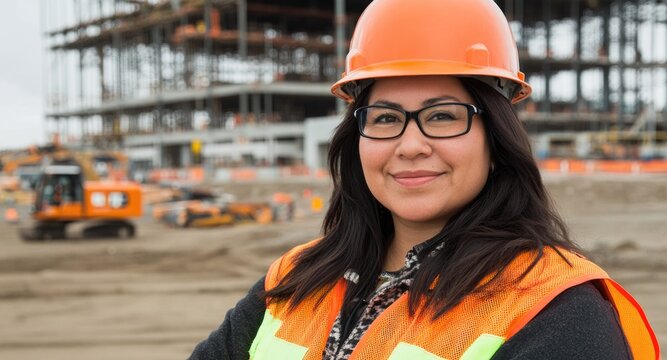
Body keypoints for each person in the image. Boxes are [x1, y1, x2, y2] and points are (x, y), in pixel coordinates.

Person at [190, 0, 659, 359]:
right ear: (357, 138)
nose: (410, 144)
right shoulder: (294, 279)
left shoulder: (556, 312)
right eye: (385, 117)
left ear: (495, 139)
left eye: (442, 116)